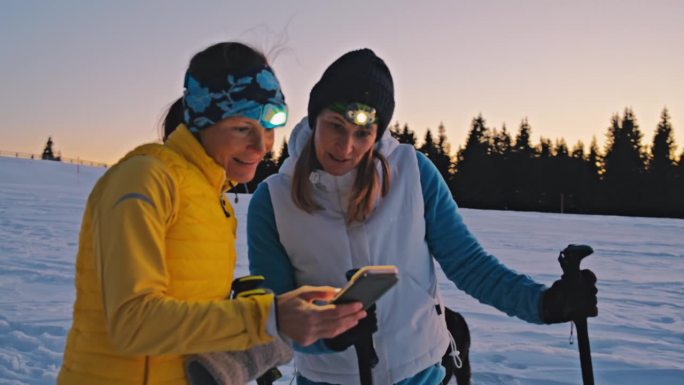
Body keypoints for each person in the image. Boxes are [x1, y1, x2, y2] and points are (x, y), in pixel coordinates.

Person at [247, 48, 598, 385]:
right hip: (327, 379)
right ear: (314, 117)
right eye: (335, 126)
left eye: (362, 133)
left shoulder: (413, 174)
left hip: (422, 371)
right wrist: (328, 335)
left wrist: (544, 303)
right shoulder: (273, 200)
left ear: (379, 131)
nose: (346, 147)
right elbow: (275, 310)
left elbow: (468, 264)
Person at [57, 42, 367, 385]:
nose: (262, 145)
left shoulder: (212, 198)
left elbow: (187, 317)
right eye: (242, 128)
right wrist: (267, 317)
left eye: (269, 125)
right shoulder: (146, 179)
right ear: (202, 121)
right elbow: (132, 323)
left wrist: (261, 321)